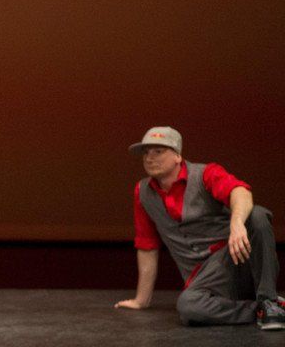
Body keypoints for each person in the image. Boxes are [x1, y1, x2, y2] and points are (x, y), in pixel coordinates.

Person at [115, 126, 284, 330]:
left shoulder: (205, 174)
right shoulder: (143, 192)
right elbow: (147, 245)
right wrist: (141, 300)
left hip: (236, 259)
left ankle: (268, 301)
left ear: (177, 156)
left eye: (158, 151)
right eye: (146, 152)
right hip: (204, 279)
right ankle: (262, 310)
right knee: (188, 307)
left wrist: (237, 223)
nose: (150, 158)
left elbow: (240, 191)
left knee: (257, 215)